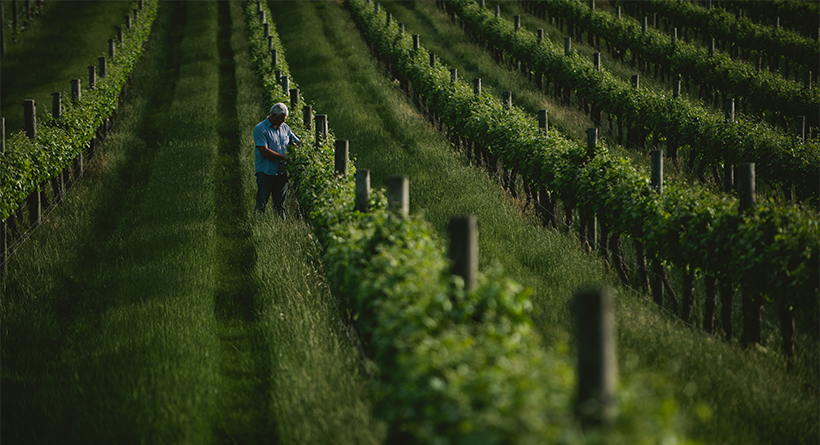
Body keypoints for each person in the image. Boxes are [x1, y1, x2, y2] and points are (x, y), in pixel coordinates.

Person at [253, 102, 302, 218]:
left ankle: (281, 227)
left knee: (280, 205)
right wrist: (285, 158)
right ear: (273, 116)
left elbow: (297, 142)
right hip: (266, 172)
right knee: (261, 203)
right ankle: (257, 227)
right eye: (282, 119)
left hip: (281, 172)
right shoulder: (260, 129)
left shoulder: (285, 128)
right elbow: (264, 151)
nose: (283, 122)